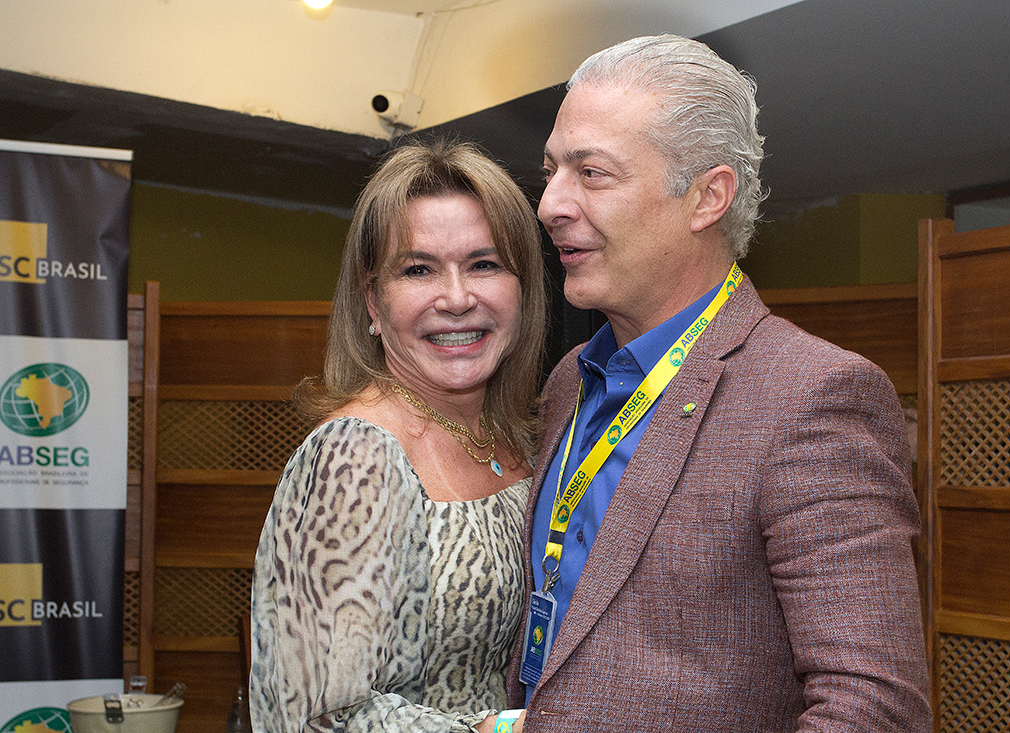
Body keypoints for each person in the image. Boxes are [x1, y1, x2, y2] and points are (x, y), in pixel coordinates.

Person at [506, 35, 932, 731]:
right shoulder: (567, 380)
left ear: (707, 197)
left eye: (592, 173)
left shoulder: (815, 396)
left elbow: (874, 709)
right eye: (552, 171)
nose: (550, 203)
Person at [250, 140, 546, 733]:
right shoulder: (356, 456)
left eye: (484, 264)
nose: (457, 298)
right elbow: (316, 718)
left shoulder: (524, 435)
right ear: (373, 302)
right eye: (418, 270)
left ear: (523, 289)